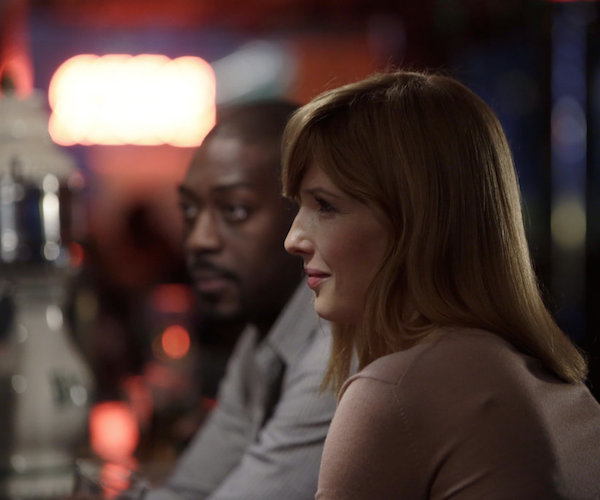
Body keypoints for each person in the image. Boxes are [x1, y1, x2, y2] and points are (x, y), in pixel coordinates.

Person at [282, 70, 600, 499]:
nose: (293, 240)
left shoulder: (394, 391)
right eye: (300, 206)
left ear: (416, 220)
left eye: (325, 206)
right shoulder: (556, 383)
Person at [144, 100, 336, 499]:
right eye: (189, 210)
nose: (199, 240)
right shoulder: (261, 338)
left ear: (305, 216)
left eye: (234, 210)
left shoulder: (335, 346)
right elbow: (189, 489)